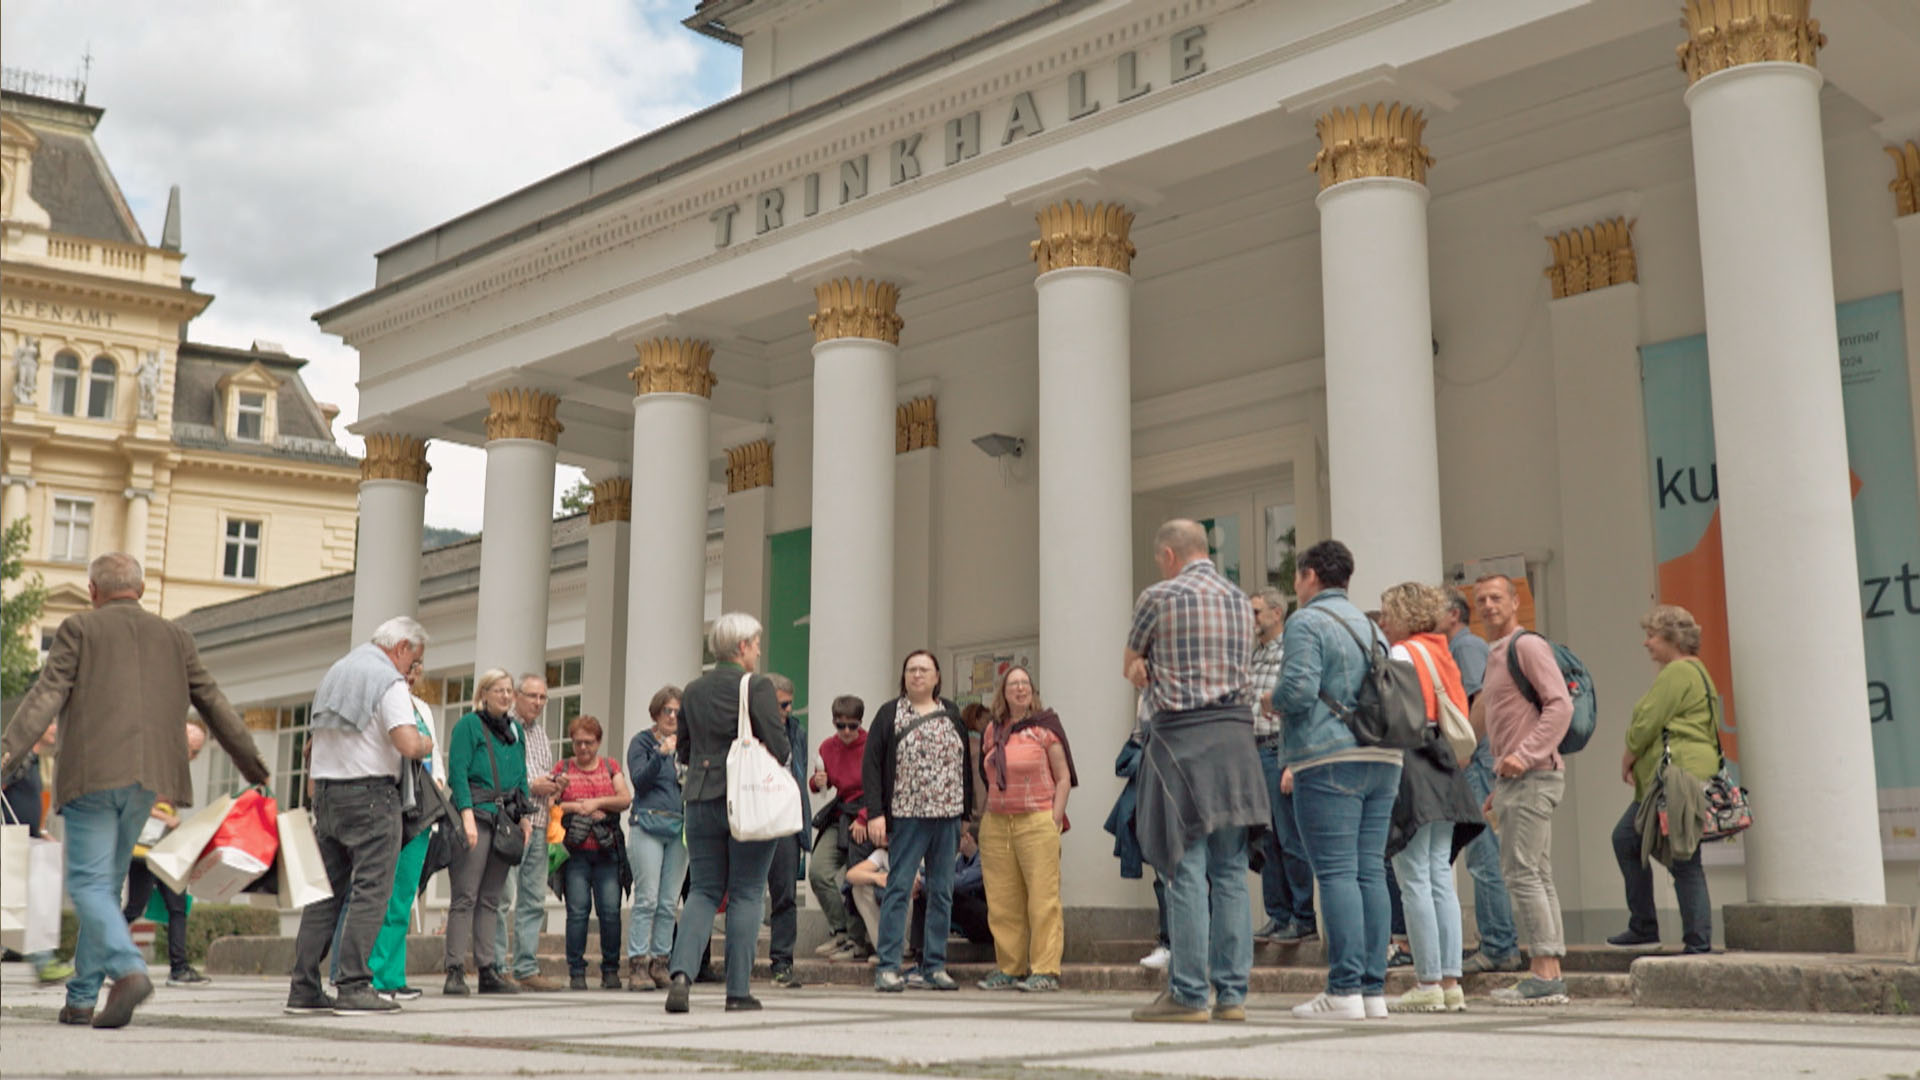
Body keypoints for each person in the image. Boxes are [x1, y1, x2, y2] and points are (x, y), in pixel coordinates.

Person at [1, 553, 270, 1029]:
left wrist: (5, 759)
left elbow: (46, 694)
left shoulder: (79, 629)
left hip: (92, 777)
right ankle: (82, 997)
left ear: (92, 591)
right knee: (104, 887)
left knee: (87, 883)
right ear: (141, 591)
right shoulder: (176, 637)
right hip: (150, 785)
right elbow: (212, 700)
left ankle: (127, 970)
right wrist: (252, 764)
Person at [1125, 519, 1268, 1024]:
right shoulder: (1238, 600)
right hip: (1235, 740)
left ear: (1168, 555)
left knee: (1183, 869)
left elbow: (1131, 660)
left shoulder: (1158, 596)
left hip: (1181, 741)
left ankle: (1188, 993)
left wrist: (1140, 669)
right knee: (1230, 872)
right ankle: (1232, 995)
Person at [1272, 539, 1401, 1021]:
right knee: (1369, 869)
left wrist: (1270, 701)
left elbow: (1299, 690)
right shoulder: (1371, 626)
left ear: (1308, 576)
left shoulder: (1305, 621)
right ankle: (1372, 991)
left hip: (1327, 757)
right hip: (1383, 757)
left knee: (1337, 873)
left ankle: (1343, 988)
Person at [285, 617, 437, 1016]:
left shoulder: (336, 673)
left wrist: (316, 795)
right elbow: (405, 742)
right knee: (372, 891)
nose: (410, 670)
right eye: (413, 659)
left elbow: (313, 743)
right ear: (402, 647)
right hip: (371, 796)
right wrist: (426, 743)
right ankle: (353, 985)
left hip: (329, 793)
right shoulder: (387, 680)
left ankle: (303, 987)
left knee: (325, 895)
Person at [665, 612, 791, 1013]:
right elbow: (779, 744)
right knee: (747, 892)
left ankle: (681, 974)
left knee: (702, 890)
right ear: (741, 647)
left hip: (700, 799)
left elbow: (684, 748)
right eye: (755, 643)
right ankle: (738, 991)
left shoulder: (694, 690)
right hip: (746, 798)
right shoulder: (755, 686)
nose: (757, 649)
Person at [1379, 583, 1483, 1014]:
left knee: (1413, 877)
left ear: (1405, 614)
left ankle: (1426, 980)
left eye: (1387, 613)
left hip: (1412, 764)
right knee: (1440, 876)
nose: (1383, 622)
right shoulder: (1442, 650)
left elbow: (1393, 716)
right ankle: (1450, 981)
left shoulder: (1403, 654)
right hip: (1444, 764)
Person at [1474, 574, 1572, 1006]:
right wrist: (1500, 781)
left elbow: (1560, 705)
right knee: (1536, 872)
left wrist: (1526, 754)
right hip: (1515, 779)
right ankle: (1549, 970)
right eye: (1481, 599)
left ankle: (1544, 975)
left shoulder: (1526, 646)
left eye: (1496, 597)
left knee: (1521, 872)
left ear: (1516, 601)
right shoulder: (1496, 654)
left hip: (1531, 775)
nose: (1488, 605)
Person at [1610, 604, 1720, 955]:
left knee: (1684, 859)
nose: (1646, 643)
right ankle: (1647, 926)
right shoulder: (1696, 672)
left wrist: (1627, 757)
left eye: (1651, 635)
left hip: (1677, 778)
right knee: (1630, 840)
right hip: (1680, 777)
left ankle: (1694, 942)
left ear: (1671, 638)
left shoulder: (1677, 673)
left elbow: (1648, 723)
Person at [862, 649, 973, 993]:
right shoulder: (889, 713)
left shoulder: (951, 712)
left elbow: (963, 765)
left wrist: (965, 814)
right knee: (899, 888)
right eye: (911, 669)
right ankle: (889, 966)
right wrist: (876, 813)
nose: (918, 675)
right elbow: (873, 766)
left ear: (937, 676)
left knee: (941, 891)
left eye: (924, 670)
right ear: (904, 676)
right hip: (907, 814)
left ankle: (935, 965)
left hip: (948, 815)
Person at [975, 665, 1076, 992]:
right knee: (1002, 900)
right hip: (997, 823)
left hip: (1036, 820)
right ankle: (1010, 967)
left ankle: (1045, 970)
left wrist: (1055, 819)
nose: (1019, 689)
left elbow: (1063, 778)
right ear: (1003, 693)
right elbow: (985, 773)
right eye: (1013, 684)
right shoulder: (993, 731)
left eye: (1024, 684)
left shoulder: (1046, 728)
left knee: (1042, 899)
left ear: (1032, 691)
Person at [1443, 591, 1521, 975]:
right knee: (1482, 854)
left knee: (1483, 854)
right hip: (1477, 759)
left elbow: (1479, 700)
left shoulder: (1466, 646)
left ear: (1453, 613)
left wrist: (1464, 748)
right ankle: (1499, 942)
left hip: (1475, 761)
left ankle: (1499, 945)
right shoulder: (1466, 645)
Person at [443, 668, 534, 996]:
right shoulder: (469, 725)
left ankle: (487, 968)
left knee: (491, 899)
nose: (506, 696)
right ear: (484, 693)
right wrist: (465, 816)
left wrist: (524, 818)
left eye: (509, 690)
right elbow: (458, 772)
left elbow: (522, 776)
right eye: (499, 690)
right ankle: (454, 969)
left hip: (505, 819)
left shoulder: (515, 731)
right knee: (465, 895)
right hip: (477, 815)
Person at [368, 659, 448, 1002]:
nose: (411, 674)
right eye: (406, 667)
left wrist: (440, 783)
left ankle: (393, 976)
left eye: (416, 668)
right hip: (386, 806)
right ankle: (372, 974)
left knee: (403, 895)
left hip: (420, 809)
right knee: (379, 896)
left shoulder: (422, 708)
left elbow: (434, 755)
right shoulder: (377, 702)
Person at [1248, 587, 1316, 943]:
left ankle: (1303, 917)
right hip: (1254, 751)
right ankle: (1278, 914)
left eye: (1257, 612)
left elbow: (1301, 705)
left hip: (1280, 750)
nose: (1252, 618)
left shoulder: (1293, 651)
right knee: (1265, 838)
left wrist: (1294, 762)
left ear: (1277, 613)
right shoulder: (1255, 655)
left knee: (1290, 836)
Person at [121, 723, 209, 989]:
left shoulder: (168, 767)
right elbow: (134, 796)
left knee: (146, 906)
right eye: (193, 750)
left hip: (152, 848)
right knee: (173, 907)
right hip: (151, 848)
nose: (193, 757)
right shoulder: (155, 764)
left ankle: (102, 957)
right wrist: (167, 818)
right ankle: (178, 969)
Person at [552, 714, 632, 989]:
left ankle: (611, 969)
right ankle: (576, 971)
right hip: (575, 852)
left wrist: (598, 801)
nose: (583, 748)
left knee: (610, 911)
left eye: (588, 743)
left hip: (606, 850)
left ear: (598, 742)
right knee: (577, 911)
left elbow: (625, 799)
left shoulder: (610, 766)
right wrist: (579, 807)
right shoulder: (563, 768)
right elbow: (551, 802)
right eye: (577, 743)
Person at [496, 673, 565, 992]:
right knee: (502, 897)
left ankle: (526, 966)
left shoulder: (540, 733)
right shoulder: (502, 726)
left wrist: (553, 784)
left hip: (538, 822)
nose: (538, 702)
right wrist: (532, 785)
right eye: (532, 696)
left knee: (534, 899)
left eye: (542, 697)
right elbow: (504, 773)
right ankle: (497, 966)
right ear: (516, 696)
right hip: (510, 822)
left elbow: (541, 775)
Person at [2, 721, 73, 985]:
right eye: (51, 722)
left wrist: (39, 830)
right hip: (10, 841)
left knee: (27, 901)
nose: (56, 727)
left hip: (23, 839)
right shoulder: (17, 757)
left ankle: (44, 962)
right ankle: (44, 963)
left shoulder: (33, 759)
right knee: (26, 901)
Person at [625, 686, 685, 991]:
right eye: (667, 711)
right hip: (647, 825)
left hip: (679, 828)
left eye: (677, 712)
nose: (673, 717)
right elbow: (639, 780)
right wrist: (660, 755)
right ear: (656, 713)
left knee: (667, 902)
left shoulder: (687, 745)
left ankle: (661, 962)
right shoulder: (642, 742)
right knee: (647, 898)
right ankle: (637, 963)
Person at [808, 695, 869, 962]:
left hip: (867, 813)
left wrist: (866, 818)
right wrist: (817, 781)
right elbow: (821, 787)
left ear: (860, 723)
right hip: (841, 814)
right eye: (840, 725)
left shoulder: (871, 745)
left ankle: (857, 940)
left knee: (856, 876)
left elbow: (882, 786)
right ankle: (840, 931)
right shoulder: (827, 747)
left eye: (852, 726)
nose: (846, 732)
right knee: (819, 871)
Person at [764, 672, 810, 989]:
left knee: (785, 895)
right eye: (781, 705)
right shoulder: (746, 732)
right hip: (753, 817)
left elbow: (798, 773)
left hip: (786, 819)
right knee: (745, 894)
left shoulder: (796, 732)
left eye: (790, 704)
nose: (787, 711)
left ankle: (782, 963)